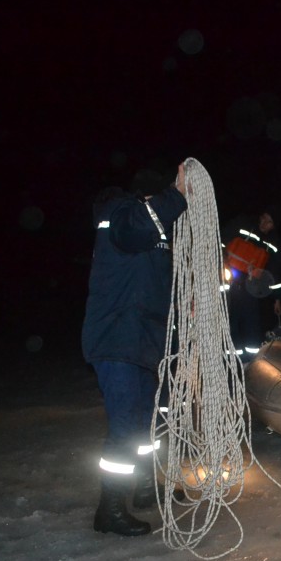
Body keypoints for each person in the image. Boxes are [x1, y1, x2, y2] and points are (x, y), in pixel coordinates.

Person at [81, 163, 188, 536]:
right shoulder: (119, 213)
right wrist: (176, 195)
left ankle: (144, 488)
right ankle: (109, 510)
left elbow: (157, 290)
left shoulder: (151, 231)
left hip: (143, 340)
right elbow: (136, 229)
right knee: (126, 425)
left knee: (145, 422)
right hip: (116, 339)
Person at [221, 210, 281, 360]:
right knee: (229, 320)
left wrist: (277, 299)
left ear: (274, 226)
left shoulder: (274, 243)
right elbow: (221, 240)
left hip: (251, 288)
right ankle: (228, 360)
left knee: (251, 324)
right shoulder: (242, 224)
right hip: (227, 281)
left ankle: (250, 362)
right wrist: (223, 262)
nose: (264, 223)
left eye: (269, 222)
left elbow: (275, 273)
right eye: (264, 218)